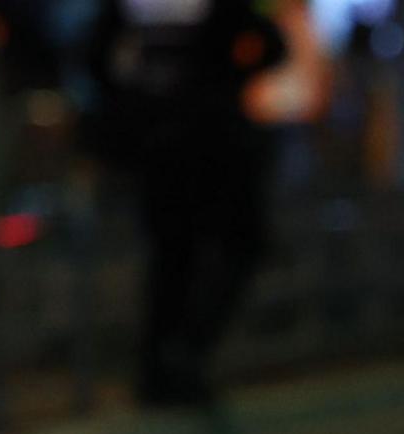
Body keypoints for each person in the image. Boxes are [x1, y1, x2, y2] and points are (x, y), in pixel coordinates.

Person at [88, 0, 285, 411]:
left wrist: (135, 101)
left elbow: (95, 57)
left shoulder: (137, 14)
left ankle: (168, 366)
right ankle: (177, 363)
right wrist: (225, 82)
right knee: (207, 252)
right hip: (207, 146)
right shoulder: (204, 15)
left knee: (176, 258)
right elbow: (271, 45)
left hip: (167, 147)